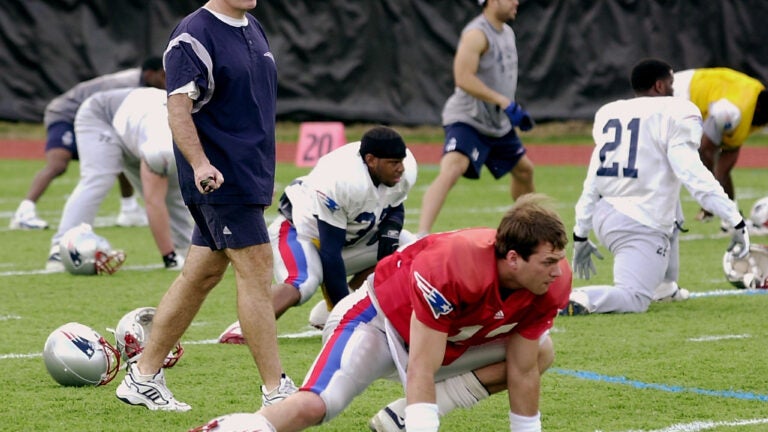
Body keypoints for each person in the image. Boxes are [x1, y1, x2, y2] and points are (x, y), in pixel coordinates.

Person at [189, 193, 572, 432]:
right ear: (512, 258)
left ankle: (400, 418)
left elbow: (522, 369)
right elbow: (421, 366)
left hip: (440, 340)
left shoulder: (549, 282)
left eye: (559, 259)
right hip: (375, 323)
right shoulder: (454, 265)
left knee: (541, 351)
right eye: (549, 261)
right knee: (315, 406)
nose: (557, 271)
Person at [115, 0, 296, 412]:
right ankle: (276, 391)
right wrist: (200, 163)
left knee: (201, 275)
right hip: (220, 178)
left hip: (250, 176)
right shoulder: (192, 36)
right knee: (257, 271)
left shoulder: (253, 26)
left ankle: (142, 377)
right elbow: (177, 109)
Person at [560, 58, 751, 316]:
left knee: (670, 195)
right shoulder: (676, 111)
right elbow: (694, 176)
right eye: (672, 84)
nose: (675, 90)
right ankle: (574, 298)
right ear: (660, 86)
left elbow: (592, 179)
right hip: (639, 223)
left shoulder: (610, 112)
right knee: (635, 298)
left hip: (604, 215)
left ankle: (665, 287)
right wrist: (736, 220)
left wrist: (581, 234)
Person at [218, 126, 418, 342]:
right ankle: (243, 327)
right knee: (303, 282)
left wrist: (390, 232)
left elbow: (394, 203)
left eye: (401, 161)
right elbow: (330, 254)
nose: (400, 168)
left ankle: (327, 313)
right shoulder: (341, 179)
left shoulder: (404, 169)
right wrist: (346, 318)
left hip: (349, 239)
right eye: (393, 163)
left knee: (409, 249)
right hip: (300, 232)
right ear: (371, 160)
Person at [417, 0, 535, 237]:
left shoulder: (508, 33)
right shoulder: (476, 34)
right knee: (454, 166)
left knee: (524, 171)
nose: (516, 2)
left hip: (497, 124)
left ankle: (530, 230)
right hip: (467, 118)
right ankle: (420, 236)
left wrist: (510, 108)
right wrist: (501, 101)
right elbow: (463, 78)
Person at [44, 87, 193, 272]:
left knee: (174, 190)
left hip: (136, 126)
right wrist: (168, 257)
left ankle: (187, 251)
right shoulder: (162, 145)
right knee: (99, 178)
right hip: (101, 116)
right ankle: (61, 247)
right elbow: (154, 202)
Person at [9, 57, 166, 230]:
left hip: (95, 119)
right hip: (66, 114)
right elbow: (102, 109)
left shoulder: (143, 86)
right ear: (150, 74)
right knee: (58, 164)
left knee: (121, 155)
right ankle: (24, 212)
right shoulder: (125, 85)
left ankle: (129, 210)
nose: (166, 82)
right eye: (163, 76)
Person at [672, 67, 768, 226]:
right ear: (758, 111)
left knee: (724, 169)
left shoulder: (755, 103)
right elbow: (705, 150)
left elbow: (723, 169)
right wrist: (708, 198)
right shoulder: (733, 111)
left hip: (707, 99)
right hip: (681, 93)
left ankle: (732, 222)